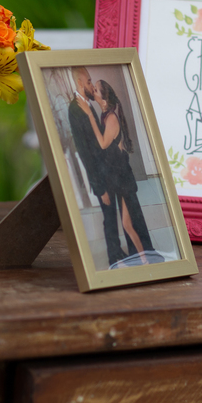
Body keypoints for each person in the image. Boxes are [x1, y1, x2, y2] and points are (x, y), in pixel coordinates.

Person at [76, 79, 154, 260]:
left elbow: (103, 144)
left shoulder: (111, 118)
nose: (92, 91)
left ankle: (145, 260)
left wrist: (88, 114)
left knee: (127, 223)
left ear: (103, 98)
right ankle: (144, 259)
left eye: (95, 90)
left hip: (122, 177)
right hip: (117, 176)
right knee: (127, 223)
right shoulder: (105, 114)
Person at [67, 67, 125, 267]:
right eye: (89, 81)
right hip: (101, 176)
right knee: (108, 215)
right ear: (80, 83)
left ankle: (116, 251)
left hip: (108, 171)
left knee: (111, 215)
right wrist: (100, 188)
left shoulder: (86, 104)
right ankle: (114, 257)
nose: (92, 85)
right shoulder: (75, 109)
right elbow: (85, 153)